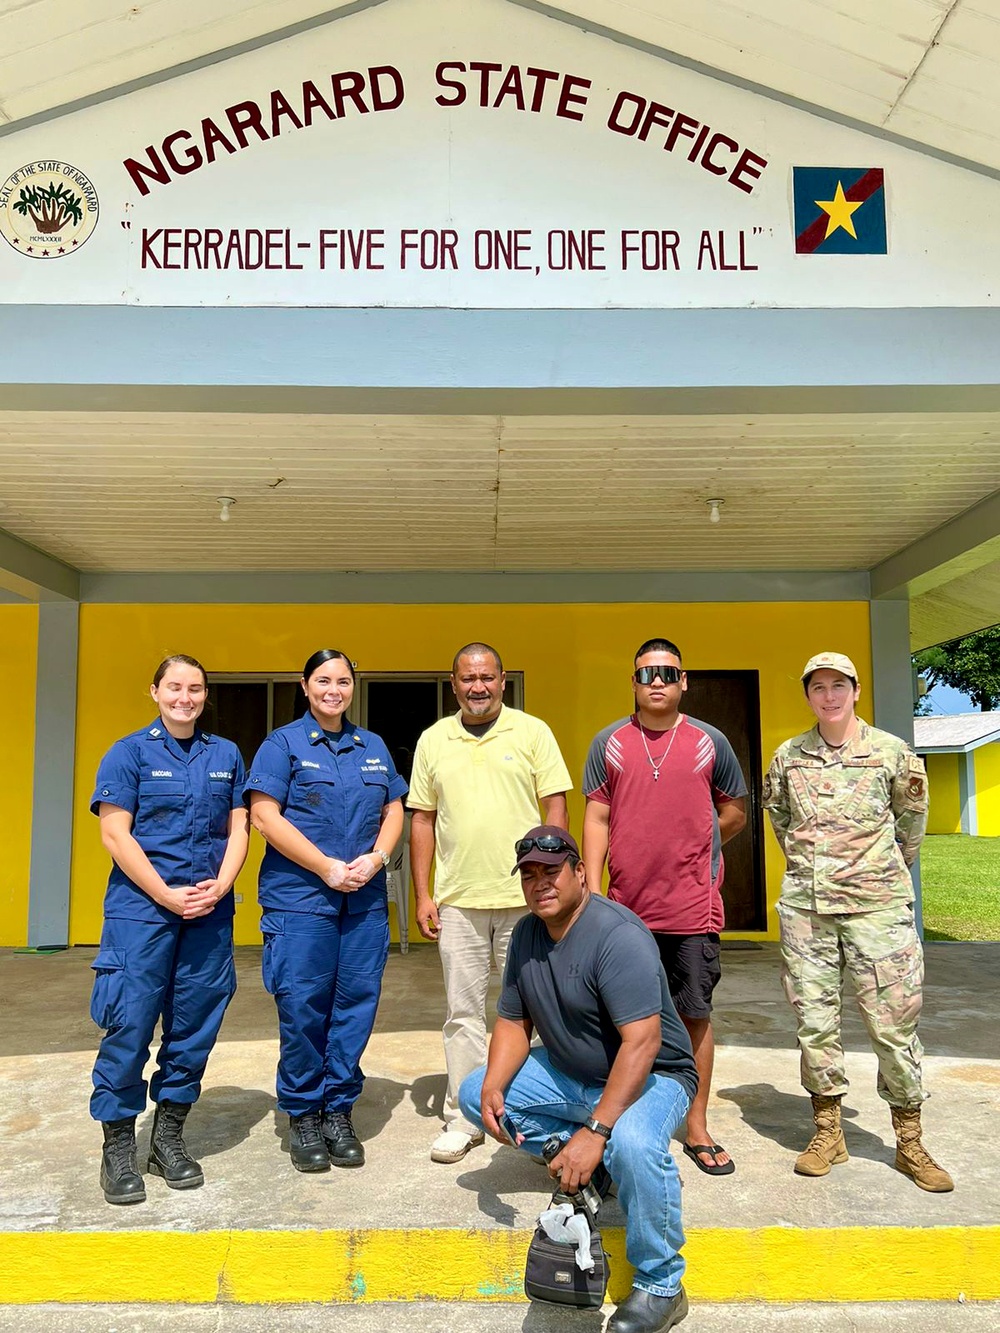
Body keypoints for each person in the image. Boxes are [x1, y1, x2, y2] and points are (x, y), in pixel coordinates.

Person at [460, 827, 697, 1333]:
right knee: (473, 1094)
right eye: (529, 875)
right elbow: (512, 1021)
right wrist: (495, 1084)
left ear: (580, 873)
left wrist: (598, 1131)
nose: (540, 884)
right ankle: (593, 1164)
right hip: (573, 1071)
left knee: (632, 1142)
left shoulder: (617, 936)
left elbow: (644, 1043)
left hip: (654, 1075)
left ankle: (663, 1284)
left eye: (551, 871)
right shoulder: (527, 933)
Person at [763, 651, 953, 1192]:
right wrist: (814, 871)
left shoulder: (893, 754)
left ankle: (909, 1140)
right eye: (818, 687)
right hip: (808, 912)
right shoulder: (789, 757)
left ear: (856, 690)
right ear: (808, 695)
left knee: (894, 1025)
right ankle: (829, 1130)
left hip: (878, 910)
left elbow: (911, 828)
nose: (829, 696)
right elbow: (780, 819)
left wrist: (875, 875)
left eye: (838, 686)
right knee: (815, 1023)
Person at [582, 638, 747, 1177]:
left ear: (684, 681)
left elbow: (735, 813)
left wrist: (701, 844)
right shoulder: (609, 742)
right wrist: (591, 895)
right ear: (633, 682)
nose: (657, 681)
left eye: (667, 673)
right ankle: (615, 1123)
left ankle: (695, 1125)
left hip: (692, 910)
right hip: (625, 913)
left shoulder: (709, 741)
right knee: (619, 1023)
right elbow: (598, 820)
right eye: (646, 673)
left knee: (694, 1016)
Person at [89, 654, 249, 1205]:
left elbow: (239, 826)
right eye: (174, 687)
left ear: (205, 695)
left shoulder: (225, 754)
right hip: (142, 913)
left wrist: (223, 885)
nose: (185, 697)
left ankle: (167, 1139)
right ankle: (117, 1147)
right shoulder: (127, 753)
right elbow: (116, 835)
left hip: (207, 910)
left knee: (195, 1024)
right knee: (129, 1023)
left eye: (196, 689)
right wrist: (164, 893)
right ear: (154, 691)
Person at [408, 642, 572, 1164]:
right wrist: (424, 893)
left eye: (486, 677)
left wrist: (558, 882)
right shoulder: (433, 740)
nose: (477, 686)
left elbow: (555, 805)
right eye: (466, 678)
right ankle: (464, 1114)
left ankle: (538, 1108)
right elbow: (422, 818)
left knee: (541, 1012)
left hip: (530, 900)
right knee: (463, 1013)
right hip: (459, 901)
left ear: (503, 680)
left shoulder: (532, 732)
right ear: (453, 683)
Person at [245, 649, 406, 1172]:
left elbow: (394, 809)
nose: (333, 690)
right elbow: (264, 815)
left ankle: (338, 1108)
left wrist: (378, 857)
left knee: (356, 1004)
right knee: (303, 1006)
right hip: (301, 901)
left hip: (362, 900)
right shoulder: (282, 744)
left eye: (342, 681)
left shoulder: (373, 745)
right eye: (323, 680)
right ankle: (303, 1113)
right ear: (305, 684)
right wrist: (324, 867)